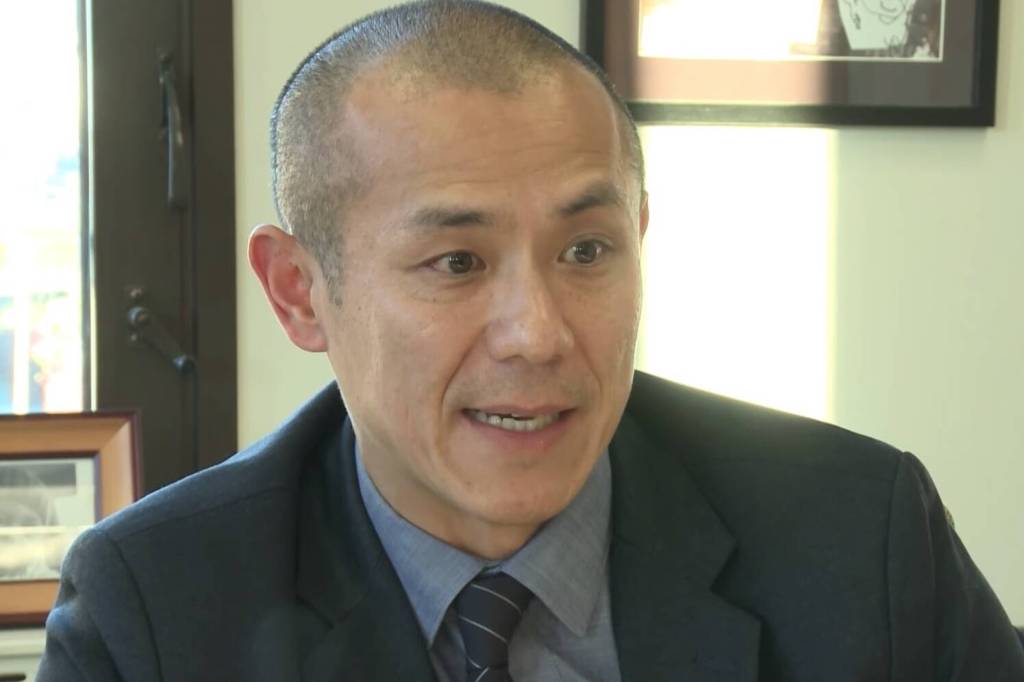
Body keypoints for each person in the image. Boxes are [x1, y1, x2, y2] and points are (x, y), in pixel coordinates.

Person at [38, 2, 1024, 680]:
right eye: (457, 262)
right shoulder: (157, 610)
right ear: (300, 293)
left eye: (586, 250)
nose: (539, 334)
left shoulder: (858, 536)